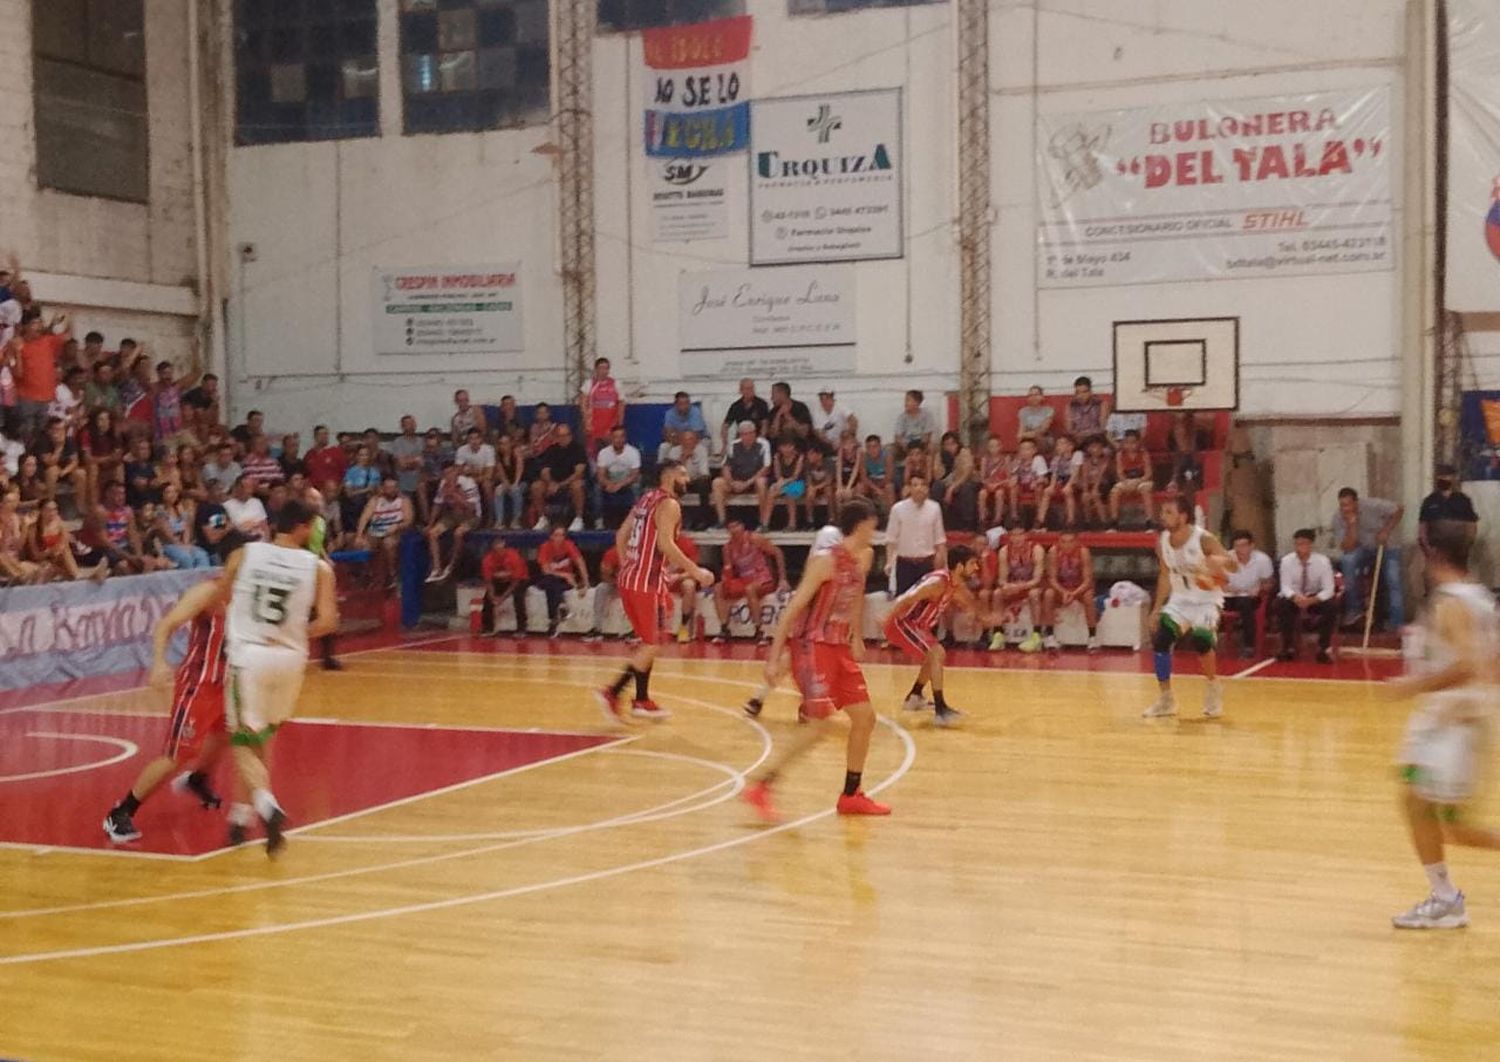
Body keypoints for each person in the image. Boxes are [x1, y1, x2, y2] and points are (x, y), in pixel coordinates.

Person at [741, 499, 890, 822]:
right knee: (819, 725)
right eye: (873, 524)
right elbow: (793, 609)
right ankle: (762, 785)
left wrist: (856, 635)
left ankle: (851, 795)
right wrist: (772, 657)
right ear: (861, 525)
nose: (875, 530)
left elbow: (855, 598)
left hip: (838, 647)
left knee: (865, 718)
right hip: (811, 645)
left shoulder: (862, 559)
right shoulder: (825, 562)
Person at [1386, 519, 1500, 929]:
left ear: (1432, 553)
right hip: (1456, 722)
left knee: (1447, 822)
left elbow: (1470, 663)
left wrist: (1414, 684)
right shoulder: (1481, 597)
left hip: (1452, 724)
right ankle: (1445, 896)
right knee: (1426, 809)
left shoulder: (1450, 601)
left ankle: (1446, 899)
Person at [217, 499, 339, 855]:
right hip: (290, 659)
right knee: (262, 739)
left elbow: (222, 596)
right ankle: (240, 819)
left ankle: (267, 806)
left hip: (249, 655)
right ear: (302, 527)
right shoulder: (319, 568)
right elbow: (328, 622)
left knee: (240, 740)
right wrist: (291, 632)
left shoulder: (244, 554)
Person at [102, 580, 230, 844]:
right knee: (176, 754)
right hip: (198, 685)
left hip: (228, 684)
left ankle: (197, 779)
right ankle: (120, 812)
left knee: (226, 736)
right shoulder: (208, 592)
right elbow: (166, 624)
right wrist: (159, 662)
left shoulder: (253, 592)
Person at [597, 460, 715, 722]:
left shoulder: (646, 498)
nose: (687, 480)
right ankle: (612, 692)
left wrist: (627, 561)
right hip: (646, 585)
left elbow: (621, 535)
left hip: (631, 580)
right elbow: (665, 544)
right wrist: (696, 572)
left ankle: (641, 700)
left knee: (649, 642)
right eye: (683, 474)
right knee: (655, 642)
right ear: (670, 476)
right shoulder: (670, 503)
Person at [1142, 495, 1237, 719]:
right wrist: (1157, 609)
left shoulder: (1204, 539)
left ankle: (1213, 686)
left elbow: (1232, 567)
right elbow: (1165, 575)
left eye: (1169, 512)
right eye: (1162, 512)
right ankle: (1166, 699)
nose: (1163, 517)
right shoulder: (1162, 541)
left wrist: (1220, 563)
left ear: (1183, 517)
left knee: (1201, 640)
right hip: (1180, 599)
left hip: (1206, 600)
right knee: (1161, 638)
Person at [885, 544, 989, 727]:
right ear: (959, 566)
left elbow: (969, 605)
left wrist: (982, 618)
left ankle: (915, 696)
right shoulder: (938, 583)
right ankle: (941, 710)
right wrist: (886, 617)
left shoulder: (954, 585)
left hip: (918, 626)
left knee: (933, 656)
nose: (976, 568)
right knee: (937, 652)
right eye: (972, 563)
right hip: (902, 623)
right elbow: (907, 598)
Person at [1332, 487, 1405, 629]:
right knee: (1348, 560)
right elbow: (1347, 547)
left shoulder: (1372, 505)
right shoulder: (1338, 518)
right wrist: (1352, 525)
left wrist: (1386, 530)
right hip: (1364, 548)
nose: (1345, 508)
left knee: (1393, 578)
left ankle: (1397, 622)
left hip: (1388, 546)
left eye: (1348, 504)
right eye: (1342, 505)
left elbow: (1399, 509)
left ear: (1356, 502)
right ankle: (1355, 609)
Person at [713, 518, 787, 644]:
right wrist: (726, 581)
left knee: (750, 589)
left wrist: (783, 579)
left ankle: (759, 631)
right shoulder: (727, 548)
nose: (733, 530)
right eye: (730, 527)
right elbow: (728, 568)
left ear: (742, 527)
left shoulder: (755, 539)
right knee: (718, 588)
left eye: (736, 526)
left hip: (764, 577)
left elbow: (778, 553)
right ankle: (724, 629)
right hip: (744, 579)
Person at [1275, 528, 1338, 663]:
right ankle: (1287, 646)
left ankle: (1323, 647)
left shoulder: (1323, 561)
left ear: (1311, 545)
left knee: (1331, 607)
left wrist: (1312, 600)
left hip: (1314, 596)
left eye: (1304, 544)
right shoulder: (1286, 561)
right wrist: (1295, 597)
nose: (1300, 547)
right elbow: (1285, 586)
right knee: (1281, 604)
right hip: (1295, 597)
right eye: (1297, 544)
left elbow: (1329, 589)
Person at [885, 471, 947, 594]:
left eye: (922, 485)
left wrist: (942, 563)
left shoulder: (935, 508)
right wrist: (889, 562)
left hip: (926, 564)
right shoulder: (898, 509)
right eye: (915, 485)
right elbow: (891, 539)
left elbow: (940, 539)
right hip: (905, 563)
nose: (919, 488)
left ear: (927, 488)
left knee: (926, 602)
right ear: (909, 488)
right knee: (904, 603)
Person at [988, 529, 1047, 652]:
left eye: (1020, 534)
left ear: (1026, 536)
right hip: (1014, 585)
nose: (1017, 538)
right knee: (997, 593)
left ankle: (1036, 636)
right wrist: (1008, 586)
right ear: (1010, 537)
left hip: (1032, 585)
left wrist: (1020, 586)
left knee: (1034, 594)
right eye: (1014, 535)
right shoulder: (1004, 551)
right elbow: (1002, 578)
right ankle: (998, 634)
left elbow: (1037, 579)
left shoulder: (1036, 549)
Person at [424, 463, 481, 582]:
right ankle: (437, 568)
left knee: (458, 533)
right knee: (432, 533)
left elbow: (472, 509)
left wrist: (455, 494)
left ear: (456, 472)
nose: (448, 476)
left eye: (451, 473)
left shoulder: (468, 483)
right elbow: (437, 504)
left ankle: (451, 565)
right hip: (452, 515)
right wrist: (430, 523)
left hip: (471, 517)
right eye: (445, 474)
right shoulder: (443, 484)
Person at [1223, 530, 1275, 659]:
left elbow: (1269, 583)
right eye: (1237, 546)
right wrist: (1225, 587)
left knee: (1245, 604)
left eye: (1243, 545)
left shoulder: (1262, 560)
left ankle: (1248, 646)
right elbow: (1216, 580)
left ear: (1252, 546)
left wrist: (1259, 589)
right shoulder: (1226, 558)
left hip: (1251, 597)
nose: (1240, 549)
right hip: (1230, 596)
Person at [1046, 530, 1099, 651]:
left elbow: (1087, 580)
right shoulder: (1053, 552)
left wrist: (1073, 594)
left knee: (1088, 596)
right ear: (1059, 542)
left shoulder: (1083, 552)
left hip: (1079, 587)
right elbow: (1052, 579)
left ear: (1076, 542)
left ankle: (1092, 637)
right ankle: (1050, 636)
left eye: (1070, 542)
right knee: (1048, 594)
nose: (1067, 545)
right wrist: (1064, 592)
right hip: (1062, 588)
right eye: (1063, 542)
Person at [530, 422, 588, 531]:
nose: (564, 438)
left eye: (566, 435)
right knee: (536, 486)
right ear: (556, 437)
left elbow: (578, 473)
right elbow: (544, 471)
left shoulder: (578, 449)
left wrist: (560, 485)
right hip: (553, 483)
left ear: (571, 435)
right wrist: (551, 483)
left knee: (577, 485)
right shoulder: (551, 450)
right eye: (561, 436)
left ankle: (579, 519)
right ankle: (542, 518)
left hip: (569, 483)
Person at [712, 421, 770, 527]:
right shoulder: (733, 445)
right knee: (717, 483)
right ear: (740, 434)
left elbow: (765, 468)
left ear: (755, 433)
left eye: (750, 433)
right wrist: (732, 482)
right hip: (736, 481)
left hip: (753, 481)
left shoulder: (763, 444)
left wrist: (747, 483)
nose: (747, 436)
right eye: (744, 434)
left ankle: (763, 521)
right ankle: (722, 520)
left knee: (762, 482)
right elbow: (726, 467)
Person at [354, 475, 414, 579]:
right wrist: (359, 535)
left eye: (394, 487)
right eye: (388, 488)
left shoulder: (404, 500)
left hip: (396, 530)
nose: (391, 490)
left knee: (389, 543)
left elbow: (409, 520)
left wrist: (397, 526)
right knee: (362, 545)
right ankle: (367, 574)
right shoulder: (375, 500)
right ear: (383, 488)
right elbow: (364, 518)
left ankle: (392, 573)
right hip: (376, 530)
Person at [536, 525, 589, 638]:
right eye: (557, 535)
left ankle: (554, 620)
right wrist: (565, 575)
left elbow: (580, 563)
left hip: (564, 581)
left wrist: (586, 583)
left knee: (554, 587)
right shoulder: (545, 547)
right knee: (551, 581)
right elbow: (545, 570)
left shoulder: (569, 545)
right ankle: (561, 607)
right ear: (551, 536)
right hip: (549, 577)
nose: (560, 538)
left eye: (562, 535)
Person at [1418, 464, 1478, 552]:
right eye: (1440, 476)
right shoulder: (1429, 501)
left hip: (1458, 548)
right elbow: (1423, 527)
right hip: (1435, 550)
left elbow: (1471, 526)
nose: (1442, 479)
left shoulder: (1463, 500)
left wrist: (1465, 547)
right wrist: (1428, 548)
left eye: (1446, 476)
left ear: (1453, 478)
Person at [480, 537, 530, 637]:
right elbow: (488, 581)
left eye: (501, 549)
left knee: (518, 597)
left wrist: (502, 598)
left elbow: (516, 581)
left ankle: (521, 628)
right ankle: (488, 628)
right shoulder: (487, 560)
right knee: (487, 599)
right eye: (496, 549)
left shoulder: (513, 556)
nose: (499, 552)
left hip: (519, 580)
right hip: (499, 581)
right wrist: (493, 596)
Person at [595, 425, 642, 529]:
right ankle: (599, 519)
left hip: (627, 483)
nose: (619, 440)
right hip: (610, 482)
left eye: (621, 437)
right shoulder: (603, 453)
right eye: (616, 437)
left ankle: (636, 520)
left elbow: (634, 475)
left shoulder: (633, 452)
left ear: (625, 438)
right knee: (597, 488)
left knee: (636, 486)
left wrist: (620, 485)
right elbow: (600, 475)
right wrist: (608, 483)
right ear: (611, 438)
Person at [1108, 429, 1153, 526]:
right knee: (1114, 492)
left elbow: (1148, 473)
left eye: (1133, 442)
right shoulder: (1120, 455)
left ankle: (1149, 520)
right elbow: (1120, 473)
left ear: (1138, 443)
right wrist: (1127, 482)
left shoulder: (1144, 453)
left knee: (1145, 489)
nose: (1130, 445)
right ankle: (1114, 520)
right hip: (1126, 480)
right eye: (1127, 442)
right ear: (1123, 443)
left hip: (1142, 479)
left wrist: (1138, 481)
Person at [581, 356, 624, 454]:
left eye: (606, 368)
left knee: (611, 452)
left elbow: (621, 405)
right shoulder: (589, 384)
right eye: (601, 368)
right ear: (596, 369)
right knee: (592, 453)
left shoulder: (616, 384)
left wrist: (620, 424)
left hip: (611, 426)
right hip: (593, 427)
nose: (604, 371)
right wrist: (586, 423)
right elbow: (583, 404)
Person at [1037, 435, 1081, 529]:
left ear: (1070, 446)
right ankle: (1040, 521)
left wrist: (1069, 485)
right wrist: (1052, 486)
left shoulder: (1077, 454)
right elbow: (1054, 474)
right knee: (1047, 492)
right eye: (1057, 445)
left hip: (1074, 481)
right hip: (1061, 481)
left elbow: (1076, 473)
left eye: (1062, 444)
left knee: (1067, 492)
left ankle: (1070, 521)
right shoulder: (1056, 459)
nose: (1058, 447)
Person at [763, 436, 805, 530]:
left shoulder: (800, 457)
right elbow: (778, 475)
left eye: (789, 446)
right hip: (783, 482)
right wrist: (779, 482)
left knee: (790, 492)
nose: (787, 449)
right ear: (780, 448)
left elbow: (796, 476)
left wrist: (784, 482)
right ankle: (765, 524)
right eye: (784, 447)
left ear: (793, 446)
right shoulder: (777, 457)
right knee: (771, 490)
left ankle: (792, 524)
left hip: (799, 483)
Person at [1008, 437, 1049, 531]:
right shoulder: (1017, 461)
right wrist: (1013, 479)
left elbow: (1042, 477)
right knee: (1013, 488)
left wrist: (1036, 482)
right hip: (1022, 486)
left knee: (1039, 487)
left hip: (1036, 484)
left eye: (1027, 449)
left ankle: (1039, 519)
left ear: (1034, 450)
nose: (1024, 452)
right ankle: (1015, 517)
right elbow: (1013, 476)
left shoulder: (1038, 459)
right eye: (1022, 449)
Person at [720, 378, 770, 452]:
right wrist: (725, 444)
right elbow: (725, 425)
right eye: (747, 388)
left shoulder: (761, 404)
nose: (750, 391)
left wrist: (760, 440)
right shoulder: (736, 406)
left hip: (757, 437)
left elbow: (765, 424)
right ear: (741, 390)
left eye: (751, 388)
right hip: (741, 438)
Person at [585, 544, 622, 643]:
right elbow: (604, 575)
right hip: (617, 585)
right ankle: (597, 628)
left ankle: (636, 631)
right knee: (601, 588)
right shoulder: (612, 553)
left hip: (633, 587)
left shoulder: (638, 553)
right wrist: (616, 583)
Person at [659, 391, 708, 461]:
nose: (685, 406)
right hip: (677, 441)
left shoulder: (695, 412)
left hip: (697, 440)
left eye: (687, 403)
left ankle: (700, 470)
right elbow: (667, 434)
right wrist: (677, 440)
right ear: (675, 404)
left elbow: (696, 435)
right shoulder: (669, 414)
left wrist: (677, 436)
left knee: (702, 448)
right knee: (663, 447)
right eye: (681, 404)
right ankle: (662, 470)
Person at [1065, 375, 1110, 444]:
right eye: (1077, 392)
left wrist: (1087, 434)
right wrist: (1078, 435)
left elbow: (1103, 428)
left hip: (1096, 439)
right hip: (1077, 439)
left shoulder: (1101, 404)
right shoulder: (1071, 406)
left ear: (1090, 392)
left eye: (1084, 392)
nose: (1080, 396)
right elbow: (1069, 429)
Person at [892, 389, 937, 456]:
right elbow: (898, 437)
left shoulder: (926, 415)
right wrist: (904, 445)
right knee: (891, 449)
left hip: (921, 443)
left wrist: (919, 448)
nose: (905, 403)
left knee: (932, 447)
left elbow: (927, 436)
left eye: (908, 400)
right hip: (906, 444)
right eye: (905, 400)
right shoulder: (902, 417)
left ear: (917, 402)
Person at [1016, 386, 1055, 451]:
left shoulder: (1048, 410)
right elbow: (1020, 432)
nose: (1033, 397)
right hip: (1029, 440)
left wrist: (1025, 435)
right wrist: (1023, 436)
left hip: (1044, 439)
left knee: (1037, 439)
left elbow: (1042, 430)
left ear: (1042, 397)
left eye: (1036, 395)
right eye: (1031, 395)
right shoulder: (1023, 411)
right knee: (1023, 443)